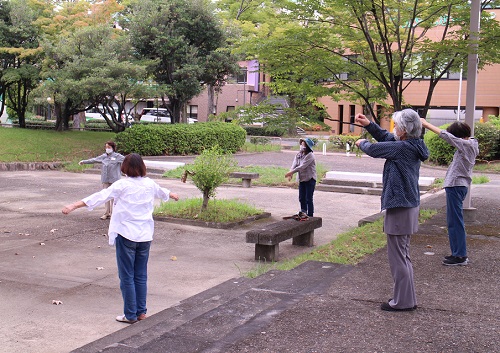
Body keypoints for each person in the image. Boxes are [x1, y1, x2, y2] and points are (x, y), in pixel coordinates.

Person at [62, 153, 180, 324]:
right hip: (145, 236)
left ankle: (130, 314)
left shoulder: (122, 184)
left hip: (126, 235)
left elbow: (100, 196)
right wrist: (173, 194)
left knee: (127, 276)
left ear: (125, 168)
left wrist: (74, 205)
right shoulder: (149, 184)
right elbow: (163, 192)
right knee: (140, 275)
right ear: (142, 167)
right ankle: (141, 312)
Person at [355, 109, 429, 312]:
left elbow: (375, 149)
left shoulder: (403, 148)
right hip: (408, 206)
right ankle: (406, 298)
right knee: (403, 255)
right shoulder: (413, 144)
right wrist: (369, 125)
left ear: (404, 130)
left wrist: (362, 143)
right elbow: (388, 138)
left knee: (398, 258)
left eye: (396, 125)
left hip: (400, 206)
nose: (394, 129)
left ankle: (402, 302)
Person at [420, 119, 479, 266]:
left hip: (456, 187)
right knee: (454, 221)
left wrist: (426, 124)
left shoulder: (467, 145)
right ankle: (457, 253)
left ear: (459, 136)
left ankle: (460, 255)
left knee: (455, 222)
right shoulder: (469, 144)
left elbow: (447, 136)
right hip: (457, 186)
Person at [79, 141, 125, 220]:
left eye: (109, 147)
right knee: (105, 196)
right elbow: (94, 160)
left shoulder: (118, 156)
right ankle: (107, 213)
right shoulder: (103, 156)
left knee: (114, 197)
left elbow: (127, 161)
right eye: (106, 147)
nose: (107, 149)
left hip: (115, 180)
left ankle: (114, 213)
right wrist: (84, 161)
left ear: (113, 148)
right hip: (105, 179)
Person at [285, 137, 316, 218]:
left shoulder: (310, 155)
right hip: (302, 179)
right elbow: (294, 164)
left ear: (307, 146)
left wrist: (291, 172)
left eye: (303, 144)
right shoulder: (299, 154)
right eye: (301, 144)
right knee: (301, 197)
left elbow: (302, 167)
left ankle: (310, 215)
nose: (301, 146)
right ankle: (303, 212)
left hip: (310, 179)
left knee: (308, 198)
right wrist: (291, 172)